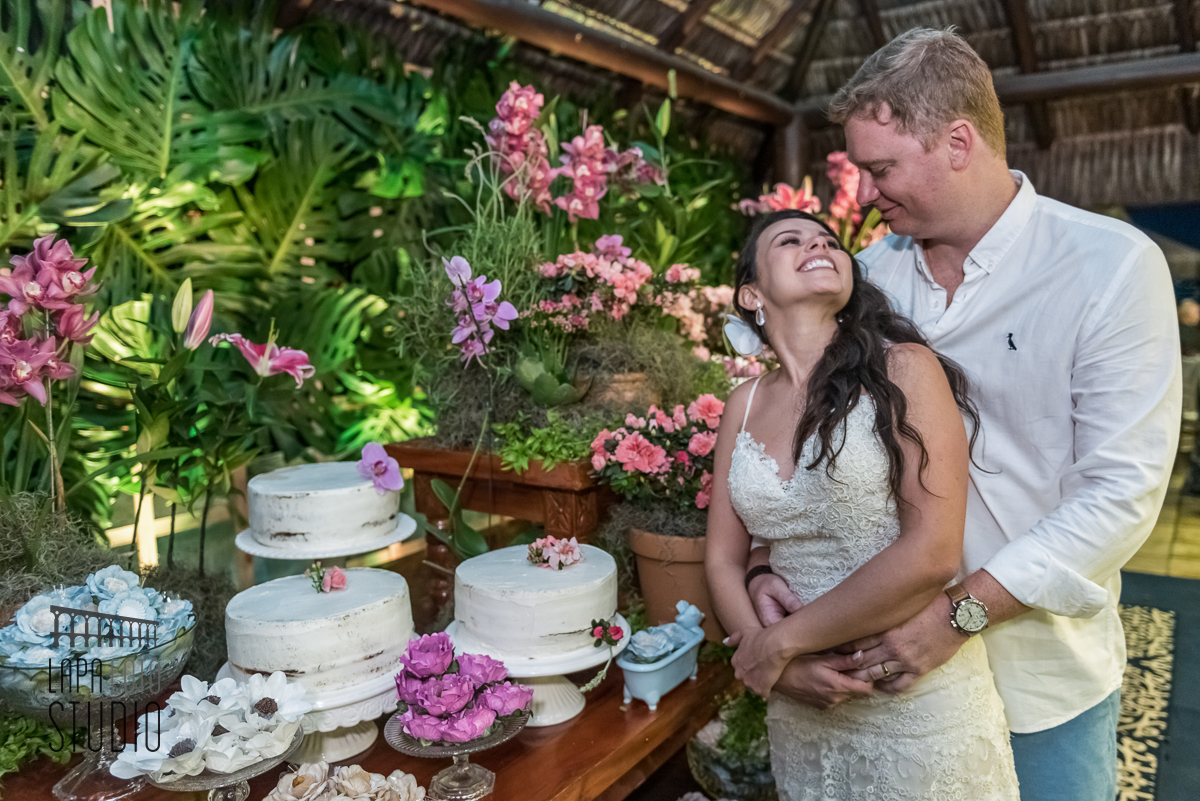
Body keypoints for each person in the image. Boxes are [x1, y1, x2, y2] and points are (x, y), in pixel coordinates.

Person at [742, 28, 1181, 801]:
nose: (868, 194)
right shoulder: (864, 280)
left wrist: (961, 613)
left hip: (1042, 677)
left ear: (957, 141)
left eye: (881, 169)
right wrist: (761, 572)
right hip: (876, 674)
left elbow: (1120, 496)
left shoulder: (1108, 267)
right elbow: (794, 433)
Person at [705, 208, 1020, 799]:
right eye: (790, 240)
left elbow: (932, 554)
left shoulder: (903, 369)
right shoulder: (742, 403)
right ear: (752, 293)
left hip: (913, 698)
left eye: (828, 240)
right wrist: (780, 669)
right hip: (802, 706)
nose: (818, 244)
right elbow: (724, 558)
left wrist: (775, 647)